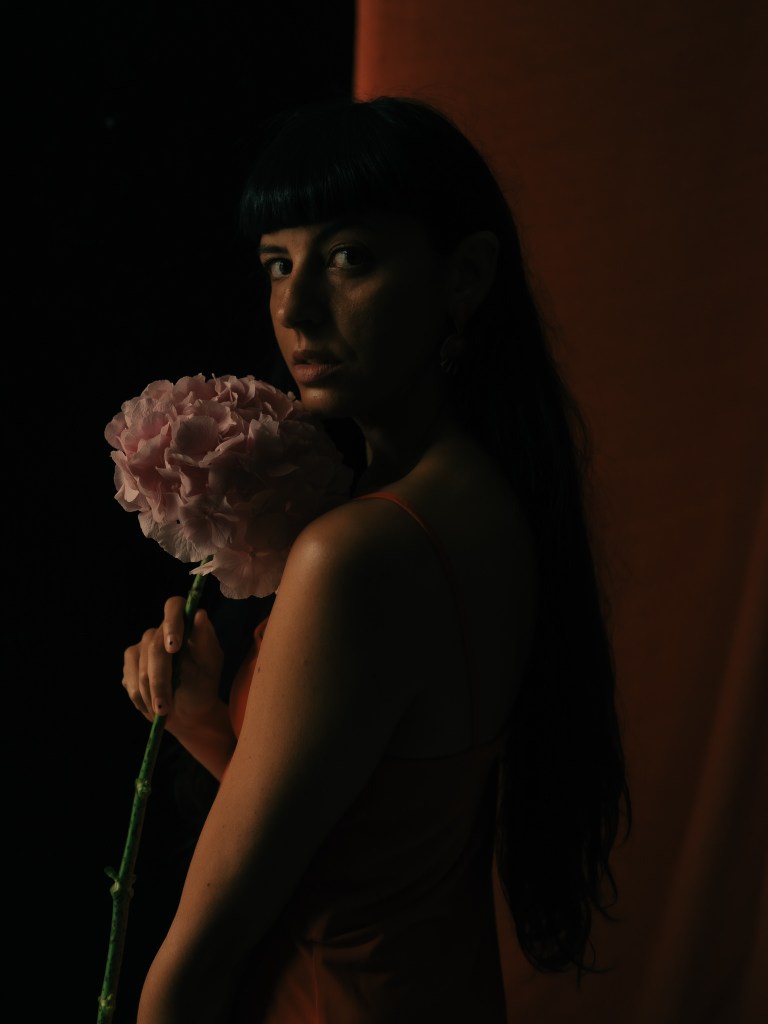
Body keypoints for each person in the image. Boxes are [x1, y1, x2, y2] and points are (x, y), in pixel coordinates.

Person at [121, 95, 631, 1023]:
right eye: (278, 264)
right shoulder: (494, 502)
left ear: (465, 276)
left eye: (349, 257)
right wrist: (203, 723)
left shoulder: (356, 553)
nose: (296, 309)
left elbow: (196, 963)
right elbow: (359, 850)